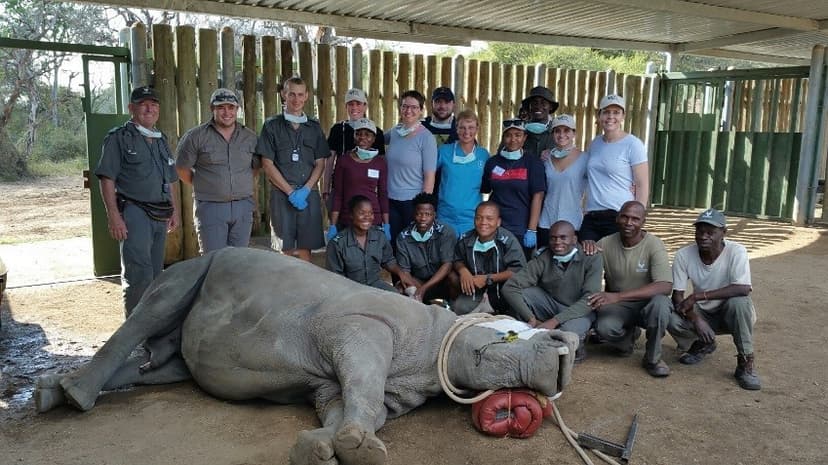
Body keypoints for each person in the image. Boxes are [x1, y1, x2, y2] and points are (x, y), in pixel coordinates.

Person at [94, 86, 180, 317]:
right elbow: (107, 178)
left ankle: (150, 324)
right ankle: (133, 332)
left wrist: (175, 211)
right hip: (134, 212)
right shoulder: (118, 138)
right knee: (137, 275)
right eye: (143, 104)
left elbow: (171, 179)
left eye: (153, 104)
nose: (149, 108)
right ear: (131, 108)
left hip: (160, 214)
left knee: (154, 274)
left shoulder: (160, 140)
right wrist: (114, 216)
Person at [667, 208, 761, 390]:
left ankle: (745, 362)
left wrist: (696, 296)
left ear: (724, 233)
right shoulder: (684, 255)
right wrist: (696, 319)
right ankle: (704, 343)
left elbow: (743, 288)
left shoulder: (737, 251)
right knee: (668, 312)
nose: (704, 236)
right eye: (700, 231)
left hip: (732, 313)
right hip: (703, 313)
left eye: (711, 232)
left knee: (739, 302)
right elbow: (677, 296)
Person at [581, 201, 673, 377]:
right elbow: (585, 268)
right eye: (625, 216)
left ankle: (653, 358)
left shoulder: (654, 244)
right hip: (621, 307)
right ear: (617, 218)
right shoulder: (605, 243)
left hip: (647, 303)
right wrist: (586, 247)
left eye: (635, 219)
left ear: (643, 222)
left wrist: (618, 296)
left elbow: (665, 285)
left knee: (661, 305)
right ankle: (626, 339)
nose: (629, 222)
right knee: (604, 328)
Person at [502, 220, 602, 362]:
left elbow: (590, 300)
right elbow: (510, 287)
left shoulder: (592, 257)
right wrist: (531, 318)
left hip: (580, 311)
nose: (557, 242)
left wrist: (554, 321)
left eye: (563, 237)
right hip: (551, 305)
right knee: (525, 294)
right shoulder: (543, 256)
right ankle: (526, 331)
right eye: (553, 238)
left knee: (566, 334)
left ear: (574, 239)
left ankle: (578, 345)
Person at [175, 88, 258, 253]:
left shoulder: (250, 137)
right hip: (210, 208)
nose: (227, 112)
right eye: (221, 107)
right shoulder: (195, 137)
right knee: (213, 261)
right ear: (212, 109)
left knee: (239, 261)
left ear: (237, 109)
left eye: (231, 107)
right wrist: (206, 184)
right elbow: (181, 169)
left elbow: (255, 168)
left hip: (243, 207)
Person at [256, 76, 329, 262]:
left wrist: (305, 189)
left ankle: (305, 290)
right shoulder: (272, 126)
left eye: (300, 95)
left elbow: (320, 162)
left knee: (306, 250)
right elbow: (267, 163)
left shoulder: (314, 127)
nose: (296, 100)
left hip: (308, 194)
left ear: (306, 96)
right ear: (283, 95)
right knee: (285, 250)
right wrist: (290, 192)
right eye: (291, 94)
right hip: (282, 195)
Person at [581, 94, 650, 242]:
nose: (610, 116)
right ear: (599, 115)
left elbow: (642, 184)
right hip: (592, 214)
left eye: (616, 112)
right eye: (606, 112)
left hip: (619, 215)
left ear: (623, 116)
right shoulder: (595, 143)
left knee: (613, 261)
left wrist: (638, 217)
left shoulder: (633, 144)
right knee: (587, 258)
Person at [481, 118, 546, 256]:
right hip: (496, 227)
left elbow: (538, 196)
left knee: (519, 270)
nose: (513, 139)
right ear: (503, 138)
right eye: (508, 135)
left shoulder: (533, 163)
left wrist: (532, 229)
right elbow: (485, 190)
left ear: (525, 138)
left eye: (518, 135)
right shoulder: (492, 162)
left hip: (520, 227)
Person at [327, 195, 417, 292]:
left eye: (370, 213)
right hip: (350, 289)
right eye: (362, 213)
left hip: (375, 284)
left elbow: (388, 260)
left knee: (397, 298)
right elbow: (335, 277)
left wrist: (401, 274)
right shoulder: (337, 243)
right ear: (351, 215)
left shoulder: (379, 235)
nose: (367, 217)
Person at [452, 201, 526, 315]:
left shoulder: (508, 241)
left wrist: (489, 278)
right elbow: (457, 259)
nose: (483, 222)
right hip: (476, 291)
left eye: (489, 218)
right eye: (479, 218)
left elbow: (519, 270)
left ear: (498, 222)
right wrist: (463, 271)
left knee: (510, 317)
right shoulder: (466, 239)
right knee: (459, 308)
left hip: (502, 291)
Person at [385, 90, 438, 249]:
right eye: (405, 106)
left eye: (414, 107)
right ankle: (397, 275)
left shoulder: (426, 137)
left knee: (413, 246)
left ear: (421, 110)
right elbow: (373, 137)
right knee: (394, 245)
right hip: (391, 199)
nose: (409, 111)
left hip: (412, 202)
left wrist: (424, 206)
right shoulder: (395, 132)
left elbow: (430, 175)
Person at [327, 118, 389, 239]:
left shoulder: (380, 163)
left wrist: (386, 224)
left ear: (374, 138)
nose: (362, 138)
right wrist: (333, 225)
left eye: (367, 134)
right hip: (348, 218)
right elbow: (338, 194)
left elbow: (382, 194)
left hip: (373, 219)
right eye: (358, 134)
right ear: (354, 136)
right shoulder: (344, 160)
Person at [322, 88, 385, 207]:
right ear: (346, 106)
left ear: (365, 106)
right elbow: (329, 161)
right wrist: (326, 189)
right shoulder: (338, 129)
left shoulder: (376, 132)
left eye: (358, 103)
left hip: (367, 189)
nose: (354, 107)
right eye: (350, 104)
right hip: (342, 187)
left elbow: (382, 164)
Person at [435, 109, 488, 236]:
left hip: (471, 217)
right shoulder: (444, 151)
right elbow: (428, 174)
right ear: (456, 128)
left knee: (467, 254)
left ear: (477, 129)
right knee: (446, 254)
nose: (467, 132)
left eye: (471, 127)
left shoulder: (483, 155)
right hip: (445, 216)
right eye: (462, 127)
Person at [395, 193, 456, 303]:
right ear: (413, 214)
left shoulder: (446, 232)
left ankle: (453, 306)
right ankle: (421, 308)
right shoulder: (403, 237)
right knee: (400, 286)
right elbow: (405, 272)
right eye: (419, 214)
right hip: (419, 282)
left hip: (443, 281)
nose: (423, 218)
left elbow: (447, 265)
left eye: (428, 214)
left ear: (434, 215)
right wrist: (416, 287)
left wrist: (425, 288)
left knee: (454, 278)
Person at [537, 114, 588, 246]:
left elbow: (599, 181)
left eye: (566, 130)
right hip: (546, 222)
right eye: (557, 131)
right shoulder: (545, 158)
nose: (561, 135)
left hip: (572, 222)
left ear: (574, 133)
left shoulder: (585, 158)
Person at [521, 86, 558, 156]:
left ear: (551, 107)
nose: (538, 106)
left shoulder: (558, 130)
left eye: (543, 103)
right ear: (529, 106)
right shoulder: (519, 129)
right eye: (534, 103)